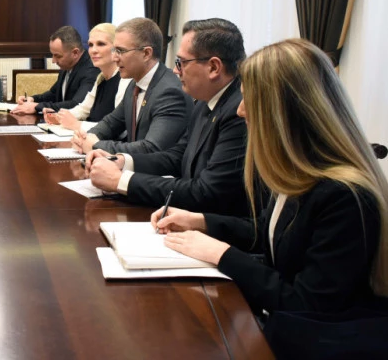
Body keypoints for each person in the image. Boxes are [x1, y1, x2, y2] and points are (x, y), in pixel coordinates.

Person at [151, 38, 388, 323]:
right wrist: (200, 221)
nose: (240, 110)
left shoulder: (344, 195)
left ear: (284, 110)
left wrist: (222, 254)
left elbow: (308, 305)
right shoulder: (299, 169)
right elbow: (268, 231)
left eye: (249, 100)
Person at [87, 18, 249, 216]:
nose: (175, 70)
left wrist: (121, 181)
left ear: (214, 67)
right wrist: (123, 161)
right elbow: (178, 156)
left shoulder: (239, 112)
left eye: (181, 62)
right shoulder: (204, 101)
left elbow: (206, 192)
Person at [72, 18, 192, 155]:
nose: (115, 58)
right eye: (114, 50)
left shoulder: (169, 92)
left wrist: (95, 145)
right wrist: (86, 137)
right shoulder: (135, 84)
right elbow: (111, 123)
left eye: (120, 51)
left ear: (146, 53)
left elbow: (151, 148)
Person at [43, 23, 131, 132]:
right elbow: (83, 109)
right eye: (90, 45)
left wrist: (77, 125)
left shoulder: (125, 80)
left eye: (101, 44)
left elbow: (118, 127)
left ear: (116, 48)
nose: (93, 50)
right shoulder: (100, 78)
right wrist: (59, 117)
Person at [11, 26, 99, 115]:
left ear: (75, 53)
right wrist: (32, 99)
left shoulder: (91, 70)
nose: (53, 61)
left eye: (58, 56)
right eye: (52, 55)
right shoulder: (66, 66)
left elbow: (77, 104)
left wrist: (37, 106)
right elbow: (53, 94)